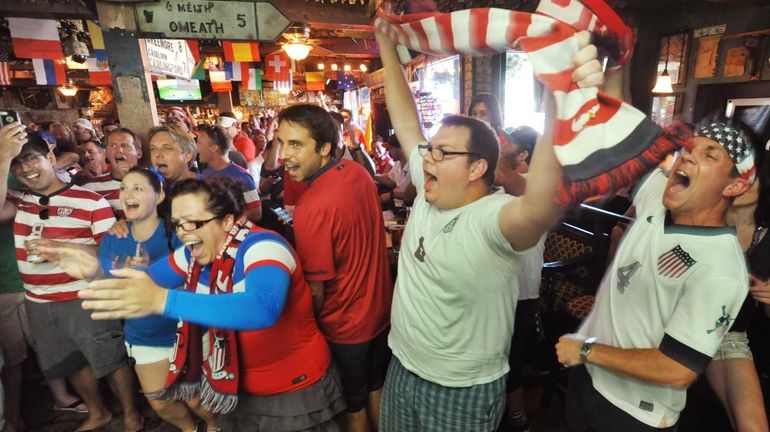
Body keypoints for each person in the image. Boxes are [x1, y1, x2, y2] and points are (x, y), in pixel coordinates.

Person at [375, 28, 602, 431]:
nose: (428, 157)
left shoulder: (491, 217)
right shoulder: (431, 192)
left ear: (477, 168)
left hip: (461, 387)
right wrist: (386, 46)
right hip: (403, 366)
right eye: (431, 149)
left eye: (443, 153)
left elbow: (542, 205)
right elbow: (405, 118)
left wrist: (557, 94)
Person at [61, 177, 346, 432]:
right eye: (178, 224)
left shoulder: (262, 246)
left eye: (194, 223)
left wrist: (164, 300)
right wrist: (96, 271)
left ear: (227, 220)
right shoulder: (193, 254)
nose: (184, 233)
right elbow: (149, 279)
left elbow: (262, 307)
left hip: (291, 392)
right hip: (238, 388)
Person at [555, 122, 755, 431]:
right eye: (689, 148)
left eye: (710, 155)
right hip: (589, 376)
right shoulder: (658, 197)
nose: (687, 156)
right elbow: (614, 128)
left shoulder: (720, 267)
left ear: (734, 186)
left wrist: (585, 349)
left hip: (633, 413)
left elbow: (678, 368)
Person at [0, 125, 142, 432]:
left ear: (50, 155)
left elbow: (113, 257)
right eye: (17, 163)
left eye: (32, 158)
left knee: (110, 358)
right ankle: (98, 412)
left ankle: (132, 415)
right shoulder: (20, 201)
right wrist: (2, 158)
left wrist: (64, 249)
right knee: (71, 361)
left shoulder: (90, 201)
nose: (26, 168)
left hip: (84, 296)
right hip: (38, 301)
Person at [276, 104, 393, 432]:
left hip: (344, 326)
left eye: (296, 145)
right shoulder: (356, 173)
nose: (284, 154)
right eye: (281, 143)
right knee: (374, 386)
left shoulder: (311, 209)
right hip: (380, 313)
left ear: (325, 147)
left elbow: (316, 291)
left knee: (351, 404)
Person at [94, 167, 206, 432]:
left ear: (158, 196)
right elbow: (104, 283)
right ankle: (191, 429)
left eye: (138, 188)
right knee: (160, 402)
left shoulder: (178, 232)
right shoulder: (113, 237)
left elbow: (198, 280)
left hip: (184, 329)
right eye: (124, 188)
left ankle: (214, 426)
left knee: (195, 398)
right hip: (143, 333)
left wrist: (152, 273)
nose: (127, 194)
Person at [196, 125, 262, 223]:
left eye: (199, 143)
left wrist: (225, 217)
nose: (196, 147)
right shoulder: (204, 174)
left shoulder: (241, 176)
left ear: (214, 148)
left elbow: (256, 214)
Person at [82, 129, 143, 218]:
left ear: (139, 153)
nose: (119, 151)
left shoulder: (155, 181)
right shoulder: (90, 189)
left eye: (125, 145)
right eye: (113, 146)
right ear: (106, 153)